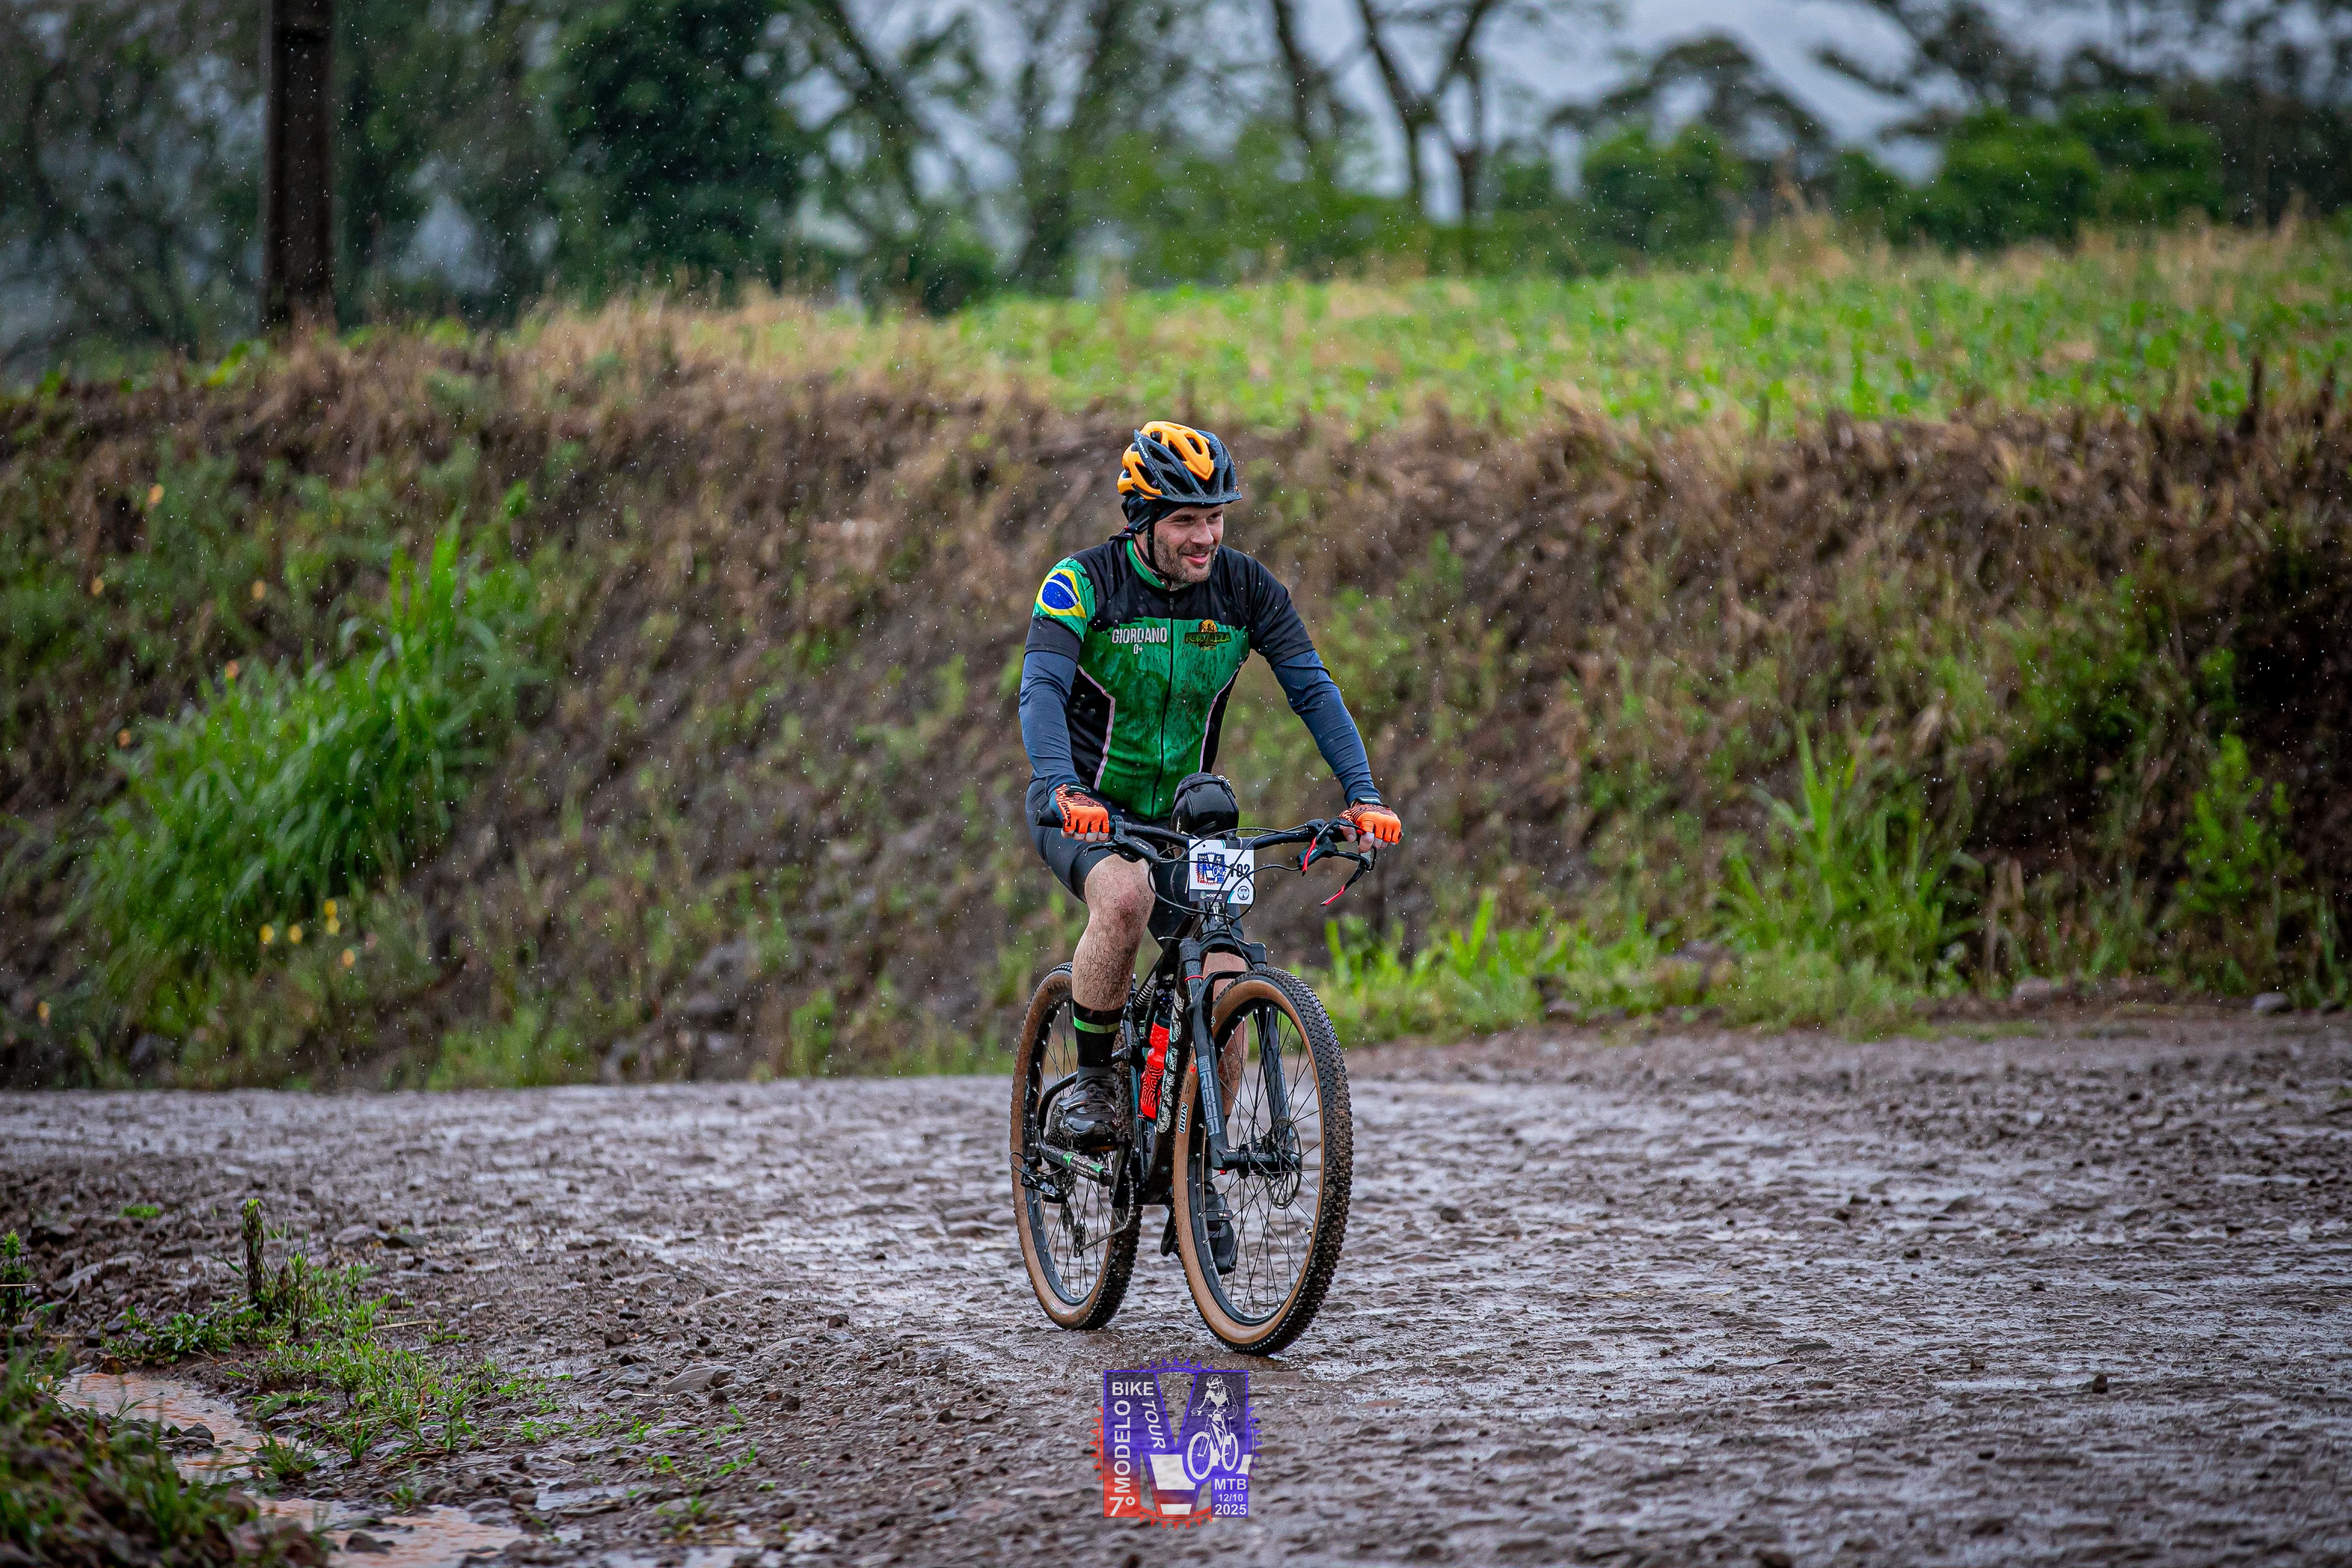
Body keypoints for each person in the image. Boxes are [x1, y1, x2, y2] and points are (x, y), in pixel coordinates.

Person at [1019, 420, 1403, 1154]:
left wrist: (1363, 794)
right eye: (1185, 522)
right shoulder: (1080, 585)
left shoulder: (1245, 588)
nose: (1205, 538)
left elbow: (1312, 690)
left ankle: (1198, 1166)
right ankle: (1095, 1082)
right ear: (1143, 520)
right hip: (1084, 809)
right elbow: (1041, 690)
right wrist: (1064, 786)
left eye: (1216, 518)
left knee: (1226, 974)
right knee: (1125, 899)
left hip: (1185, 820)